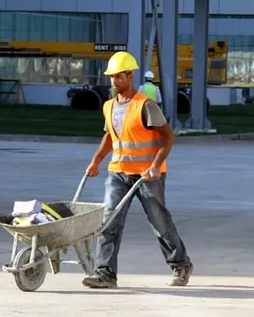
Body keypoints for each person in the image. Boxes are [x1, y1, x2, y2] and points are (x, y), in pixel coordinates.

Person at [82, 51, 193, 289]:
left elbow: (168, 138)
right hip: (118, 173)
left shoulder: (146, 105)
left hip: (147, 175)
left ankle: (181, 265)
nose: (113, 81)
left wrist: (154, 166)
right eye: (111, 77)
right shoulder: (109, 106)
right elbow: (109, 137)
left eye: (118, 77)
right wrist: (95, 161)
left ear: (129, 76)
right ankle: (105, 274)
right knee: (108, 221)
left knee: (159, 222)